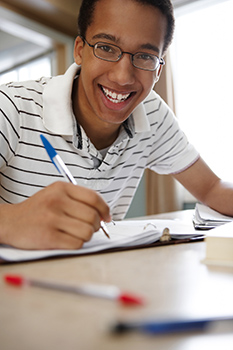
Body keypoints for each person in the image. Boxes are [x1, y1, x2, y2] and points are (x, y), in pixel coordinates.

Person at [1, 0, 233, 250]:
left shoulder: (152, 113)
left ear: (158, 70)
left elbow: (211, 188)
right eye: (107, 48)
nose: (122, 77)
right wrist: (9, 222)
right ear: (79, 50)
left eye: (145, 56)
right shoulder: (12, 106)